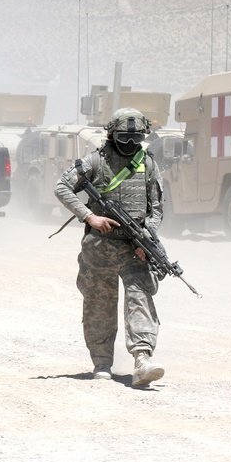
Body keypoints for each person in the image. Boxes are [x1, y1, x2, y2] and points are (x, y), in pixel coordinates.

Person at [54, 108, 165, 387]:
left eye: (136, 138)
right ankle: (102, 362)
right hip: (99, 248)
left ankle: (142, 358)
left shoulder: (148, 164)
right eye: (123, 138)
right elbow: (62, 187)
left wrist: (147, 240)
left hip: (133, 248)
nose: (130, 144)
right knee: (99, 305)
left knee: (140, 299)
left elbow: (157, 208)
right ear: (111, 135)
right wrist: (89, 215)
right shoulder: (94, 161)